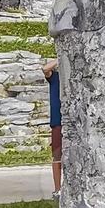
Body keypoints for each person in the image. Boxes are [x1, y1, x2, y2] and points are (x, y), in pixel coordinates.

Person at [42, 58, 62, 197]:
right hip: (58, 121)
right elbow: (45, 69)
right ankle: (57, 188)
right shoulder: (54, 77)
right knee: (57, 156)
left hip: (71, 121)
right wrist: (60, 58)